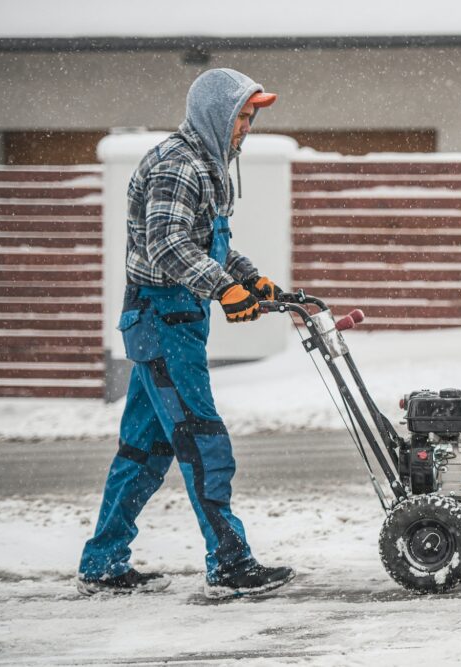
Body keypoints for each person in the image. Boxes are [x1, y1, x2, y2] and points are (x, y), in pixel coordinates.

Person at [77, 68, 294, 599]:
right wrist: (224, 289)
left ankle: (103, 562)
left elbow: (207, 242)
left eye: (250, 118)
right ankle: (231, 563)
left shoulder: (208, 164)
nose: (246, 127)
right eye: (241, 116)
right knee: (203, 440)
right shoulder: (179, 165)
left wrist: (249, 279)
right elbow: (168, 246)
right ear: (217, 114)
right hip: (163, 321)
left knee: (144, 451)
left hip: (172, 322)